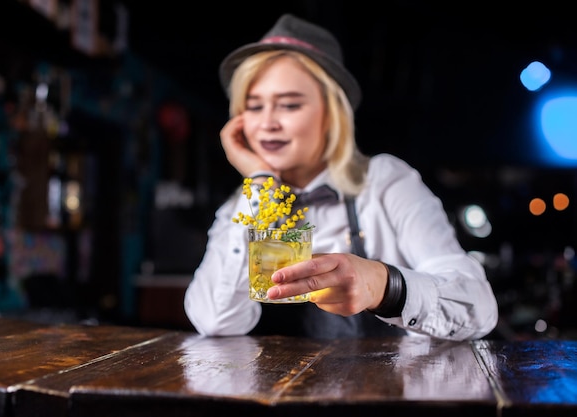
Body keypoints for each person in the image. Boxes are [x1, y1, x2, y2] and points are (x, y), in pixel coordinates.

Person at [184, 13, 498, 340]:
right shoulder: (247, 204)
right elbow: (214, 321)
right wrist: (262, 186)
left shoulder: (383, 180)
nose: (267, 123)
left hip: (387, 386)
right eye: (253, 106)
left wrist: (382, 285)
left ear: (331, 115)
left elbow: (479, 306)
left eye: (289, 105)